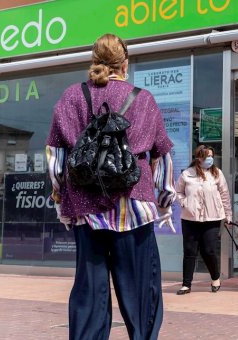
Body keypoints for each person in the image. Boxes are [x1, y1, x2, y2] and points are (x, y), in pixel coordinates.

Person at [46, 33, 175, 340]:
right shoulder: (143, 99)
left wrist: (61, 200)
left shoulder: (71, 97)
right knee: (141, 288)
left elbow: (55, 157)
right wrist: (165, 200)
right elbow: (162, 154)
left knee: (89, 290)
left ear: (94, 60)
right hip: (134, 203)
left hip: (84, 206)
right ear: (125, 63)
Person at [175, 145, 232, 295]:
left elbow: (225, 195)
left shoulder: (217, 173)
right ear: (199, 158)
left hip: (212, 218)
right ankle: (186, 284)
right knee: (189, 252)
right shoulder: (187, 174)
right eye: (207, 156)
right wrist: (184, 203)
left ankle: (215, 278)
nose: (210, 159)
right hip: (190, 218)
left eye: (212, 156)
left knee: (209, 250)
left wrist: (228, 215)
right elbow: (178, 192)